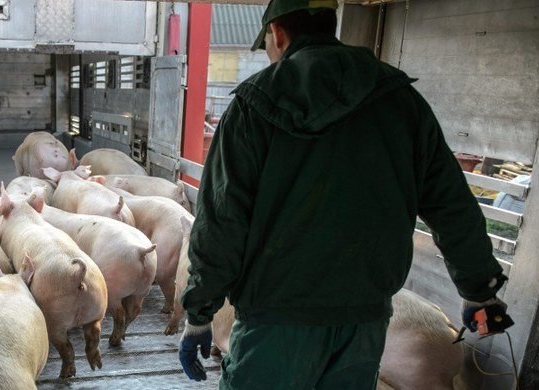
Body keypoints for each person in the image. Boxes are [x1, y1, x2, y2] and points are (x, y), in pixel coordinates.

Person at [177, 0, 508, 388]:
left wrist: (200, 312)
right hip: (363, 326)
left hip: (274, 322)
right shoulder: (403, 102)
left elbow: (221, 222)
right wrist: (478, 289)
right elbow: (452, 205)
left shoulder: (251, 108)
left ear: (278, 33)